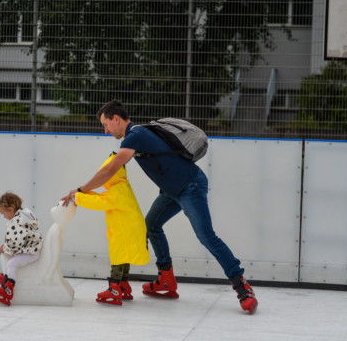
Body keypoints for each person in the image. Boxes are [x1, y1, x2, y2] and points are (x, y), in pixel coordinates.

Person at [62, 99, 258, 314]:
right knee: (152, 225)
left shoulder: (135, 136)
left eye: (106, 124)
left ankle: (242, 286)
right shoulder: (138, 135)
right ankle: (166, 280)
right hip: (171, 191)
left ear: (116, 119)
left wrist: (80, 190)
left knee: (206, 236)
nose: (106, 130)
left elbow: (109, 170)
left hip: (190, 186)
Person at [73, 152, 150, 306]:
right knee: (124, 257)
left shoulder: (118, 190)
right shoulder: (120, 187)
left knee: (118, 256)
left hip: (125, 230)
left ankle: (114, 288)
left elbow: (101, 203)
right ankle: (123, 285)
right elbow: (103, 198)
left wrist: (78, 197)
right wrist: (82, 193)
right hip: (129, 228)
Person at [0, 192, 43, 306]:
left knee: (12, 263)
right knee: (11, 261)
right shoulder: (23, 215)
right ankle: (7, 278)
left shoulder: (16, 222)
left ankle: (8, 290)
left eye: (3, 213)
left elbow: (16, 241)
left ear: (11, 209)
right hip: (31, 249)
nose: (4, 217)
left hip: (31, 253)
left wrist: (5, 247)